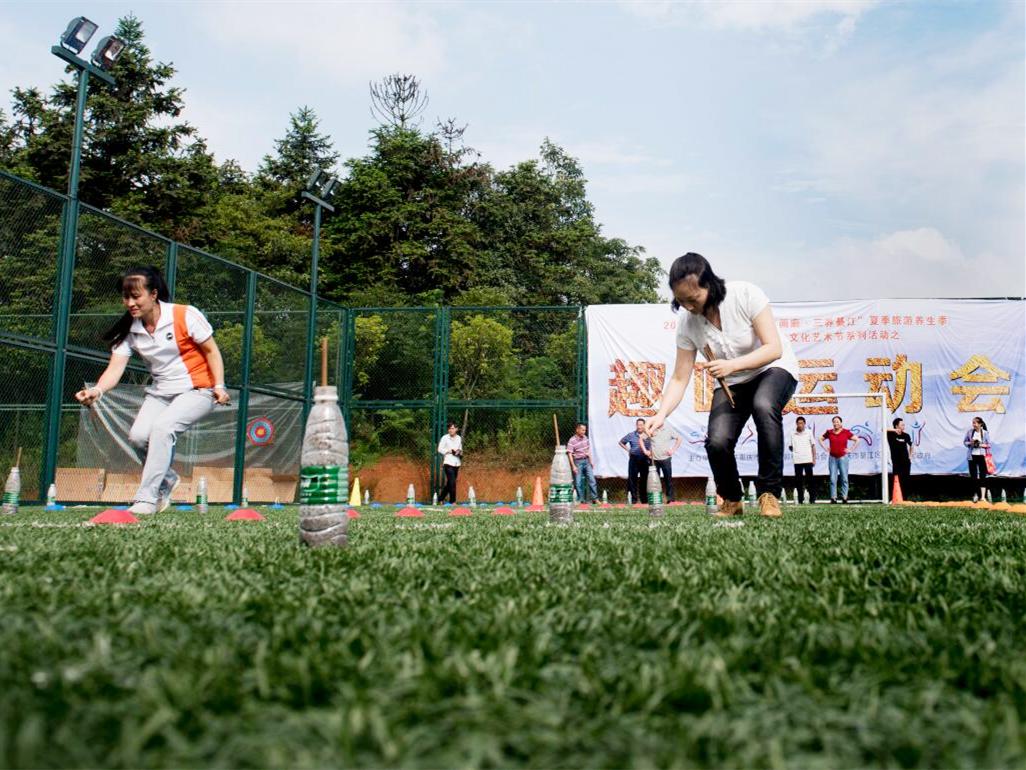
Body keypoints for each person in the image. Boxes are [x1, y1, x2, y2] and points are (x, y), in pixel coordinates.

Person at [645, 253, 798, 518]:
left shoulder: (745, 295)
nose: (689, 307)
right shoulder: (687, 324)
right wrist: (661, 414)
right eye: (681, 301)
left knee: (764, 406)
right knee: (717, 440)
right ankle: (731, 499)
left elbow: (773, 348)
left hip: (772, 368)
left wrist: (731, 366)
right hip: (733, 383)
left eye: (693, 299)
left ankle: (769, 494)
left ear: (710, 285)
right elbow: (680, 377)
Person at [74, 266, 230, 515]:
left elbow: (212, 351)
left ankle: (146, 499)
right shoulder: (129, 331)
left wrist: (219, 386)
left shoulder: (185, 315)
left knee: (163, 428)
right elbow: (115, 369)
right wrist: (98, 391)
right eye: (126, 297)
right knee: (137, 437)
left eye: (136, 296)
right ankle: (166, 480)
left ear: (154, 294)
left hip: (199, 390)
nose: (130, 303)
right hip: (160, 393)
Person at [819, 416, 858, 503]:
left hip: (843, 457)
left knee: (844, 478)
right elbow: (820, 439)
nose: (836, 423)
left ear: (841, 423)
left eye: (837, 421)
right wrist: (825, 447)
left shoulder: (846, 432)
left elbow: (857, 440)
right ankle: (833, 497)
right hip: (832, 458)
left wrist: (851, 449)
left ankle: (844, 497)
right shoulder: (829, 432)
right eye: (834, 422)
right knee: (833, 479)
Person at [619, 418, 652, 504]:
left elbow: (653, 444)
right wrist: (628, 450)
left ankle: (644, 500)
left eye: (641, 425)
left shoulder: (648, 435)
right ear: (636, 425)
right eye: (638, 425)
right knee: (632, 479)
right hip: (634, 459)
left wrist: (650, 452)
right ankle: (633, 500)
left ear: (644, 425)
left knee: (644, 480)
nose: (640, 426)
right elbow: (621, 442)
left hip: (644, 459)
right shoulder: (631, 435)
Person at [566, 422, 599, 505]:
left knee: (592, 480)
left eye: (585, 430)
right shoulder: (572, 440)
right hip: (578, 462)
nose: (584, 432)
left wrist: (591, 461)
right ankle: (581, 499)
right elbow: (569, 453)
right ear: (577, 430)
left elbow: (588, 450)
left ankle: (595, 499)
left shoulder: (585, 438)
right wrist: (573, 466)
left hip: (587, 461)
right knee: (578, 482)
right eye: (582, 430)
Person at [650, 427, 682, 503]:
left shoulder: (669, 430)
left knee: (668, 480)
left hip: (666, 459)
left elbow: (679, 439)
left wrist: (673, 450)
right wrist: (646, 451)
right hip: (654, 460)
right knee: (655, 481)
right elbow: (641, 439)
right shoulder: (651, 430)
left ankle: (670, 499)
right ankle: (656, 499)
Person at [789, 416, 816, 504]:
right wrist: (796, 450)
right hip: (797, 460)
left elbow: (813, 446)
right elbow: (790, 446)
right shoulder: (792, 433)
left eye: (802, 423)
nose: (800, 425)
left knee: (810, 480)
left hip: (808, 459)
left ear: (804, 424)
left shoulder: (809, 432)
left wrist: (814, 459)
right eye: (798, 423)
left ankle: (812, 499)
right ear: (796, 424)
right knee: (798, 481)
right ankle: (800, 499)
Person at [963, 416, 991, 502]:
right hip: (972, 456)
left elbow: (989, 445)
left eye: (975, 423)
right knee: (973, 476)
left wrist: (979, 444)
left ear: (980, 424)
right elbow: (965, 442)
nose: (973, 425)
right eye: (973, 423)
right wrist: (971, 443)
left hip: (982, 456)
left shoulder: (985, 433)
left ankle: (983, 497)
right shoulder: (970, 432)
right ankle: (975, 495)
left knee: (983, 476)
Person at [886, 418, 913, 500]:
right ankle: (895, 497)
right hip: (896, 461)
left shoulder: (906, 435)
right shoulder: (891, 434)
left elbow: (912, 445)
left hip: (906, 461)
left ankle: (905, 498)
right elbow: (883, 429)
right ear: (896, 425)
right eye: (902, 425)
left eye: (904, 425)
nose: (903, 426)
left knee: (906, 480)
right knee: (896, 479)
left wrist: (910, 456)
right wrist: (895, 430)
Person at [436, 422, 462, 504]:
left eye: (453, 428)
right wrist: (448, 451)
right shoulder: (445, 438)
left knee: (450, 484)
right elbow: (439, 449)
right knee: (452, 482)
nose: (451, 430)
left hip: (456, 463)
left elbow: (460, 449)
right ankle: (452, 501)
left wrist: (459, 452)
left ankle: (440, 499)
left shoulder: (459, 438)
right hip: (448, 462)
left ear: (456, 429)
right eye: (449, 428)